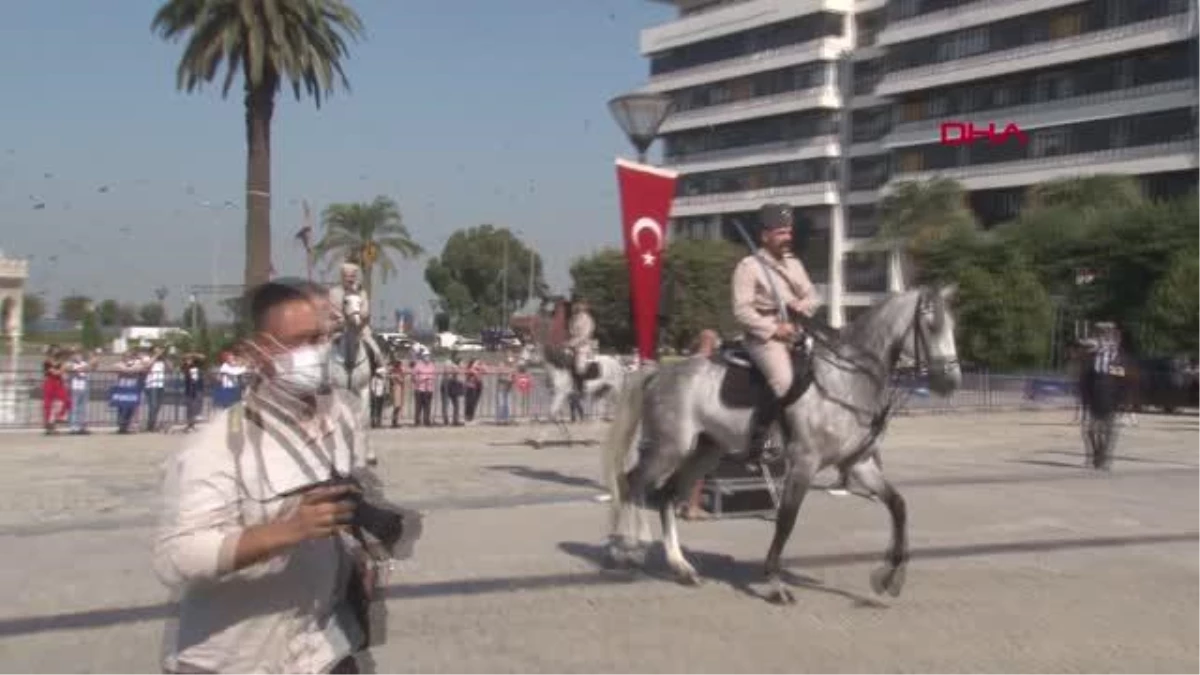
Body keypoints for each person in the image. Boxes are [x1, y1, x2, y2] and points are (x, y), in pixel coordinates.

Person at [154, 279, 384, 675]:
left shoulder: (342, 420)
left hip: (323, 651)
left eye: (321, 339)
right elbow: (175, 558)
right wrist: (291, 529)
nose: (315, 352)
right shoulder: (217, 446)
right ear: (257, 352)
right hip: (234, 660)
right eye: (300, 341)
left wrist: (358, 554)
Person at [731, 203, 820, 464]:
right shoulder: (749, 267)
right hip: (764, 338)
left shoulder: (794, 264)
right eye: (781, 233)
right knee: (783, 382)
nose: (787, 238)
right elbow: (742, 311)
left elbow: (813, 295)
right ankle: (764, 439)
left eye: (788, 232)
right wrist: (773, 329)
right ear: (765, 236)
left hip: (797, 331)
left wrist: (800, 306)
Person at [327, 261, 386, 372]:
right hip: (338, 330)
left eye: (353, 276)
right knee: (323, 351)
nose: (350, 279)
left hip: (360, 330)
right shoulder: (333, 293)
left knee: (376, 350)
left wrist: (360, 318)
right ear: (342, 277)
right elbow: (332, 311)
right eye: (348, 276)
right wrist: (342, 320)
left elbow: (365, 311)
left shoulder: (362, 293)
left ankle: (380, 374)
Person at [567, 296, 596, 395]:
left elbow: (586, 335)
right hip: (572, 344)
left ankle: (582, 387)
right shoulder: (573, 318)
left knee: (580, 366)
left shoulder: (588, 319)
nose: (578, 307)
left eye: (581, 305)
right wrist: (568, 343)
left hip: (583, 345)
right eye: (578, 304)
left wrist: (574, 343)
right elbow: (571, 332)